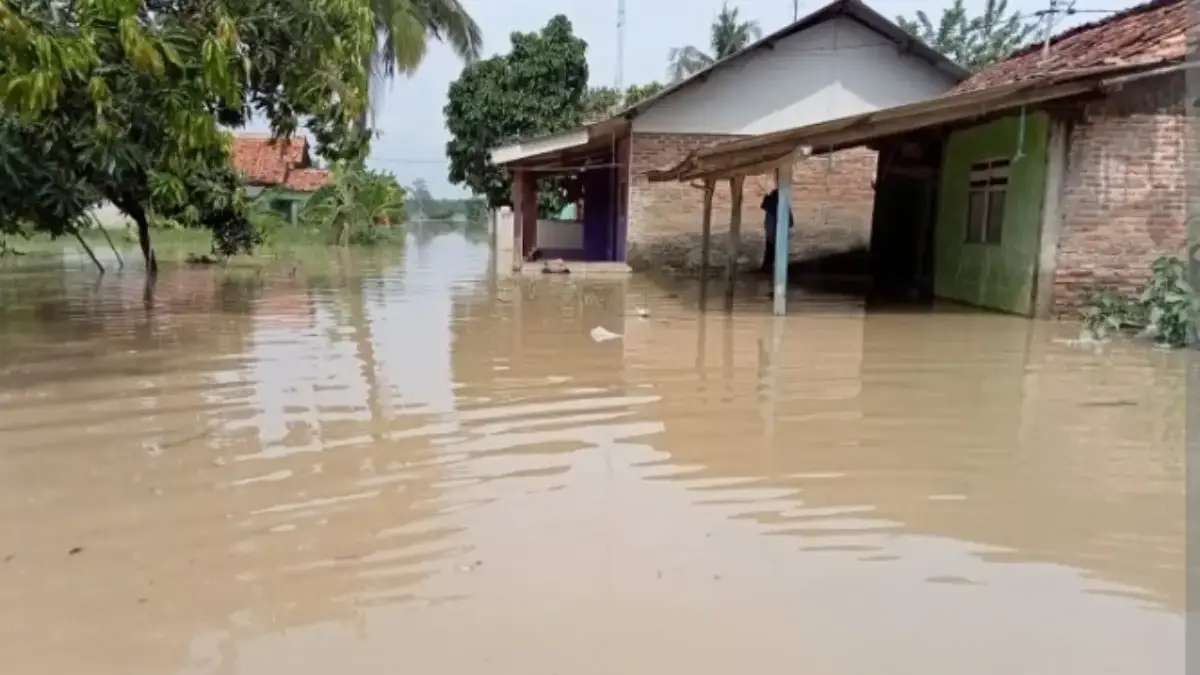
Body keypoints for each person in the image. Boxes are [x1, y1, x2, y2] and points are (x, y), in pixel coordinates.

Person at [759, 188, 794, 274]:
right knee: (777, 256)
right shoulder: (783, 206)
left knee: (770, 256)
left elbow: (768, 224)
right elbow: (790, 222)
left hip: (772, 235)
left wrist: (769, 234)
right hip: (779, 236)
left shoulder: (770, 208)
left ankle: (768, 271)